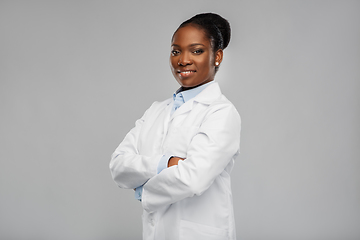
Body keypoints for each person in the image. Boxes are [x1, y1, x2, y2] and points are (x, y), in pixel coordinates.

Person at [110, 13, 241, 240]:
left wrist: (143, 189)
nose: (183, 60)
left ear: (217, 56)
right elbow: (119, 164)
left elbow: (193, 178)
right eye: (175, 51)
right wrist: (166, 163)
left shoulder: (220, 112)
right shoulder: (156, 111)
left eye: (197, 51)